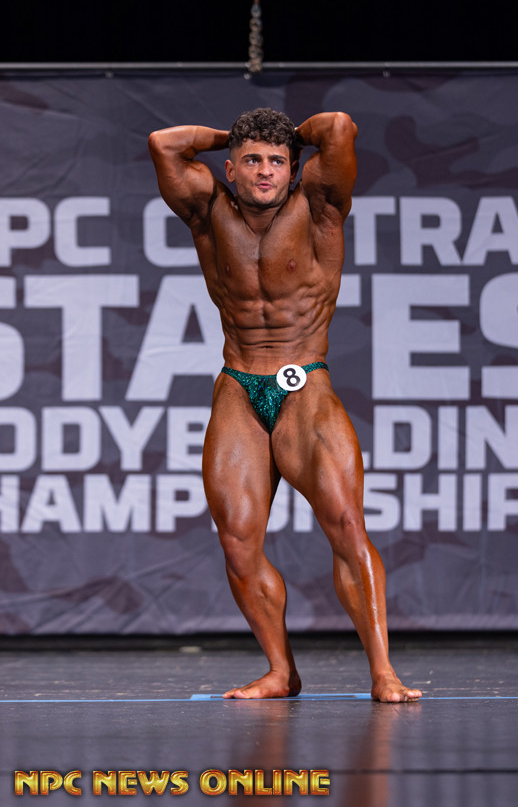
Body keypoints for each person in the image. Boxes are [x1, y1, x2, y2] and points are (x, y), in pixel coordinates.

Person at [148, 107, 422, 703]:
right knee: (238, 543)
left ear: (294, 168)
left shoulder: (319, 206)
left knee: (346, 526)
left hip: (306, 386)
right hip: (239, 385)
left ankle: (383, 672)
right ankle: (281, 671)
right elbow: (164, 143)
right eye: (251, 160)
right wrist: (236, 135)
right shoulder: (208, 211)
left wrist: (290, 139)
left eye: (277, 161)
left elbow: (340, 127)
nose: (265, 171)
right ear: (230, 168)